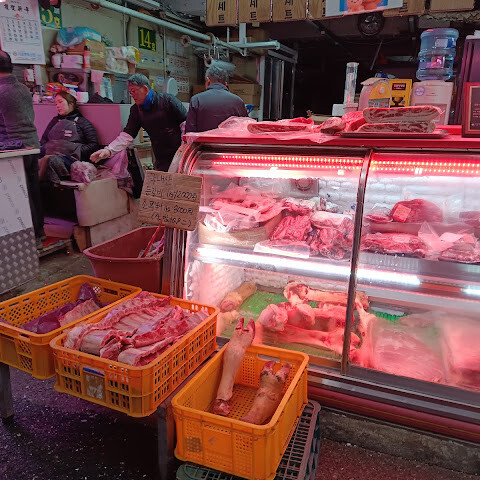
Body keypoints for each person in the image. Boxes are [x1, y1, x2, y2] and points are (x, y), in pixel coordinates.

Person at [91, 74, 187, 171]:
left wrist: (184, 149)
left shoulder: (168, 100)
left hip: (180, 152)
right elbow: (128, 135)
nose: (132, 95)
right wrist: (109, 150)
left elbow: (186, 125)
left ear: (145, 89)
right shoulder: (136, 110)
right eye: (130, 92)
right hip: (160, 155)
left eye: (134, 91)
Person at [0, 50, 44, 247]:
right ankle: (39, 233)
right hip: (31, 145)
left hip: (13, 149)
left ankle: (31, 240)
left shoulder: (1, 91)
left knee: (20, 195)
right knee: (32, 190)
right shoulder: (23, 89)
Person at [39, 91, 99, 183]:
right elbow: (43, 140)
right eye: (56, 104)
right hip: (50, 154)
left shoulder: (82, 122)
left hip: (70, 160)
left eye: (60, 102)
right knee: (30, 157)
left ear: (71, 104)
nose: (57, 106)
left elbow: (94, 145)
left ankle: (53, 187)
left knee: (50, 160)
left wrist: (74, 150)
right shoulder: (54, 121)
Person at [185, 65, 247, 133]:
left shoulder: (196, 100)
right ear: (225, 84)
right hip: (230, 140)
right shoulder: (238, 101)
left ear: (208, 80)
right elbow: (246, 129)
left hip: (204, 140)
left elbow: (189, 132)